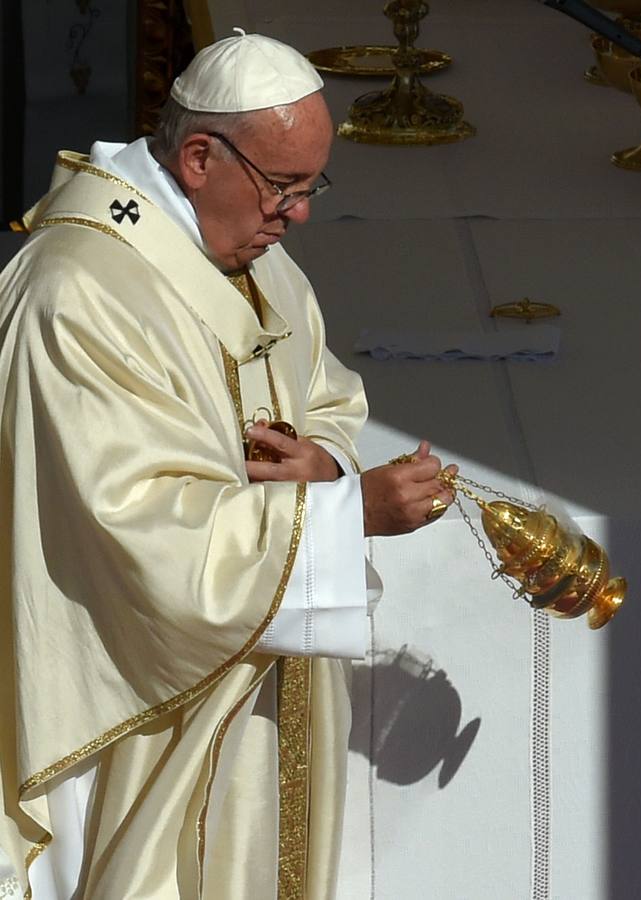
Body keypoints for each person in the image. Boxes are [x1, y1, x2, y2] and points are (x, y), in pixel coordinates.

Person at [0, 31, 456, 900]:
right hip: (135, 694)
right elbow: (132, 535)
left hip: (248, 677)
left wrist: (324, 464)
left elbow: (327, 394)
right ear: (200, 157)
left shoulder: (256, 262)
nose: (300, 214)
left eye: (309, 185)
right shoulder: (77, 295)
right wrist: (344, 515)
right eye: (283, 187)